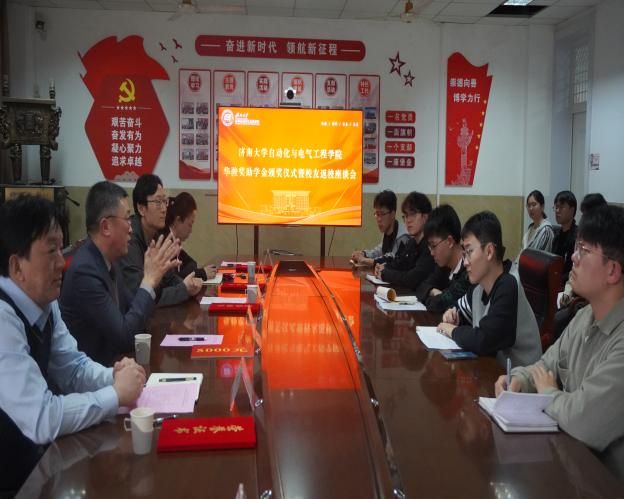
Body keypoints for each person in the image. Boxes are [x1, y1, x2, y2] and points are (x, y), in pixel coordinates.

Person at [0, 195, 145, 493]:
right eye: (51, 250)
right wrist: (115, 394)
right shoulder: (3, 320)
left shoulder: (43, 301)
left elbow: (73, 368)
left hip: (36, 464)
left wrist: (114, 375)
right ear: (16, 266)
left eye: (61, 248)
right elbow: (42, 418)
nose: (61, 263)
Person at [495, 205, 624, 480]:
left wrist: (548, 393)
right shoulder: (585, 316)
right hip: (572, 467)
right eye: (576, 247)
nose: (573, 258)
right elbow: (546, 365)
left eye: (584, 250)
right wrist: (519, 380)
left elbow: (585, 420)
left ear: (613, 270)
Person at [60, 181, 180, 366]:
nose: (131, 228)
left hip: (116, 365)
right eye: (126, 219)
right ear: (106, 226)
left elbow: (134, 312)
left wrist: (154, 279)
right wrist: (149, 280)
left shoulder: (110, 261)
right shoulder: (85, 272)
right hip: (93, 373)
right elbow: (124, 336)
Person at [437, 211, 542, 367]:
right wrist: (452, 314)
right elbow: (459, 309)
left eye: (469, 252)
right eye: (464, 254)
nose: (465, 262)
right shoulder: (479, 287)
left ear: (489, 251)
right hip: (493, 370)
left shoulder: (509, 285)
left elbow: (484, 339)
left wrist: (451, 330)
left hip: (521, 377)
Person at [119, 174, 203, 307]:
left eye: (165, 201)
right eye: (158, 202)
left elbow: (169, 278)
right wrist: (183, 290)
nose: (164, 209)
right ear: (141, 208)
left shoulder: (156, 236)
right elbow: (142, 297)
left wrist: (188, 285)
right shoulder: (129, 240)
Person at [374, 191, 434, 289]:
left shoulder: (431, 246)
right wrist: (382, 267)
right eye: (405, 216)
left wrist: (384, 273)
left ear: (425, 217)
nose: (408, 220)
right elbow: (398, 263)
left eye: (412, 214)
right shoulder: (412, 242)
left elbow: (411, 279)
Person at [416, 204, 470, 313]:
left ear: (449, 241)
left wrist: (437, 297)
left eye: (433, 246)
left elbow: (438, 305)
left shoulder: (468, 270)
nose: (431, 253)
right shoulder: (444, 266)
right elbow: (421, 287)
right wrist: (434, 292)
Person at [164, 191, 216, 281]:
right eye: (190, 224)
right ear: (178, 220)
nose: (191, 231)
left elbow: (192, 263)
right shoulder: (165, 242)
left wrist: (194, 272)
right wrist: (201, 273)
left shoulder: (175, 241)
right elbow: (173, 279)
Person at [351, 190, 410, 267]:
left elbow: (392, 260)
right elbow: (380, 251)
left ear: (392, 214)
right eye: (376, 214)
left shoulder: (403, 237)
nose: (378, 219)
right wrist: (363, 253)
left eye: (382, 214)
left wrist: (363, 260)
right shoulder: (388, 231)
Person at [552, 190, 578, 285]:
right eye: (556, 207)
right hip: (554, 282)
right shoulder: (556, 236)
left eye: (561, 207)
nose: (557, 211)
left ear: (572, 210)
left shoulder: (578, 237)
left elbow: (574, 269)